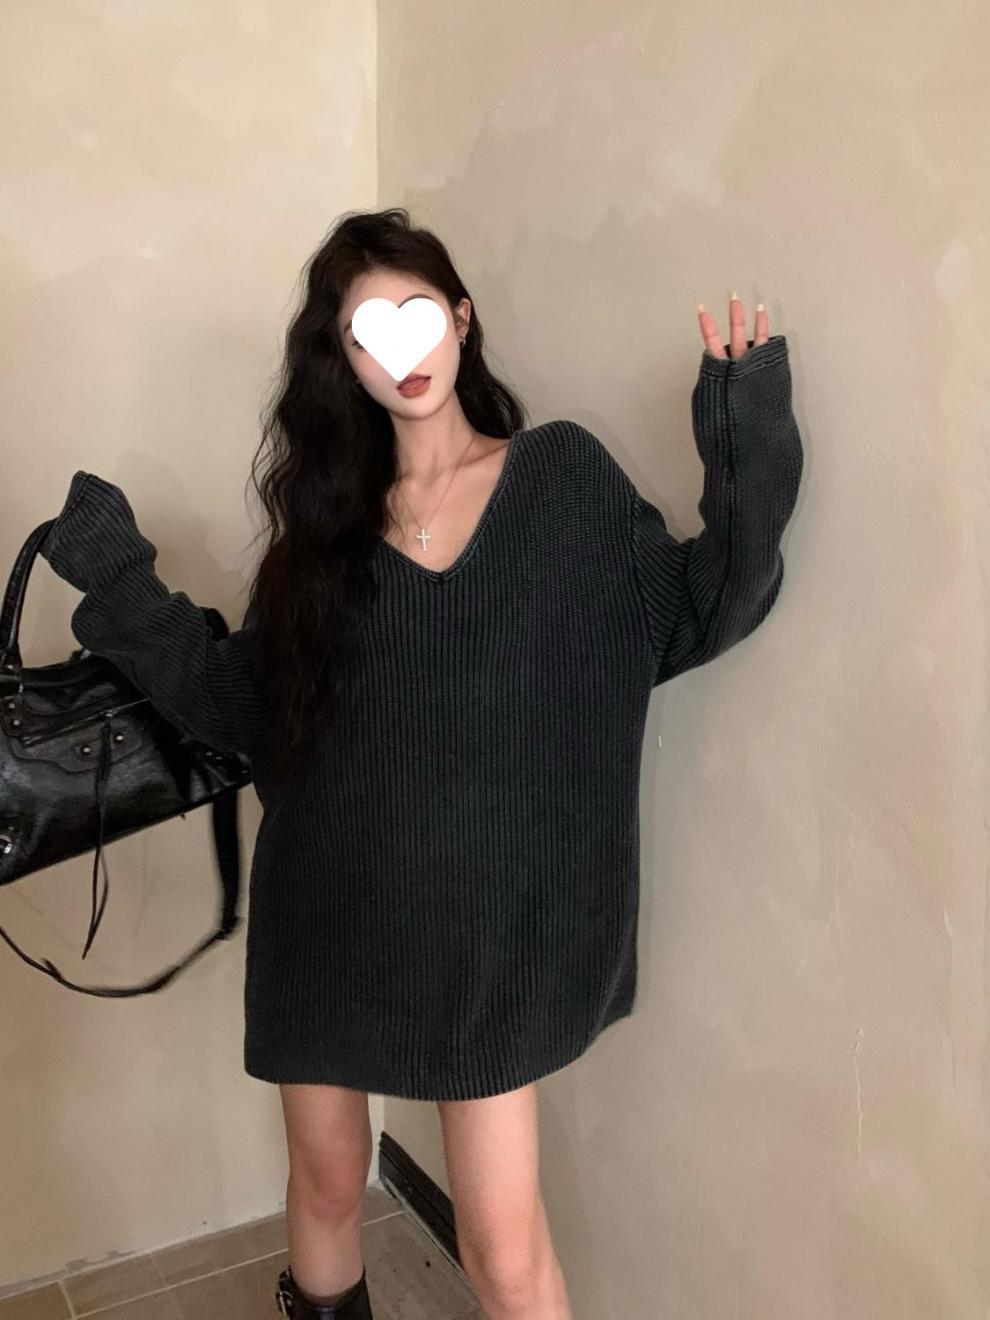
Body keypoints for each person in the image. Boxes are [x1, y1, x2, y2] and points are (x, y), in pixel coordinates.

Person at [40, 208, 803, 1320]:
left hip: (486, 942)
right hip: (327, 916)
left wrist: (742, 425)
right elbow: (240, 704)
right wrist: (118, 579)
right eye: (366, 332)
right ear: (345, 363)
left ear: (460, 318)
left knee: (502, 1252)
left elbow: (704, 605)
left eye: (415, 312)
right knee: (326, 1186)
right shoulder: (323, 540)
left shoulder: (563, 481)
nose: (399, 348)